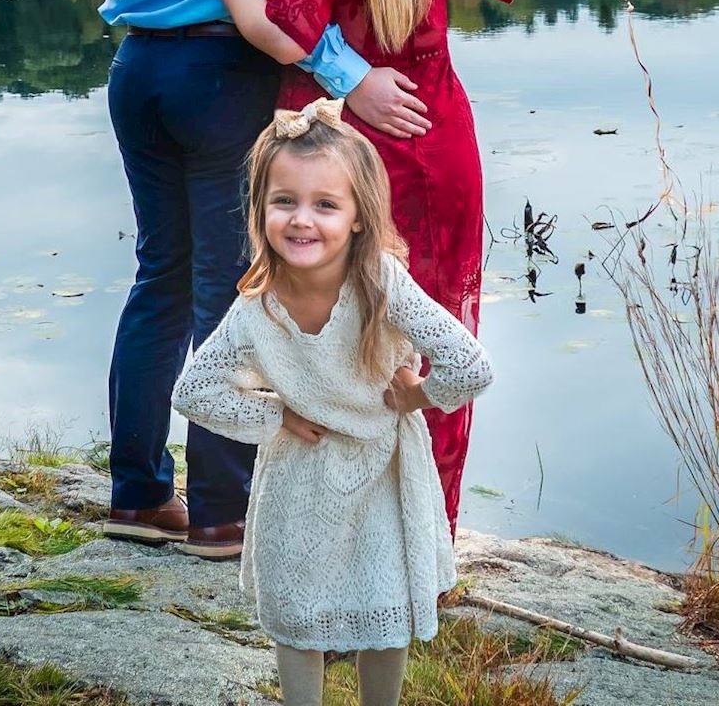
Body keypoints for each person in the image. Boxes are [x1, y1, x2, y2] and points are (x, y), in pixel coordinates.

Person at [169, 0, 598, 529]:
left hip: (345, 163)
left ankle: (356, 536)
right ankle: (430, 543)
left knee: (341, 347)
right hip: (438, 147)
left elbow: (280, 32)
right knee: (433, 340)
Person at [83, 0, 433, 558]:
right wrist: (351, 74)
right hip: (218, 72)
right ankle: (220, 514)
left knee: (158, 274)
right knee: (221, 286)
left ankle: (134, 493)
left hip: (137, 72)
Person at [172, 101, 492, 706]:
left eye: (325, 204)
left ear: (359, 217)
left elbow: (470, 365)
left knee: (385, 603)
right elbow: (193, 391)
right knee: (297, 608)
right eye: (284, 201)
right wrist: (277, 416)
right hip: (301, 475)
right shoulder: (256, 308)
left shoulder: (383, 286)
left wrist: (418, 395)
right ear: (259, 209)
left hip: (383, 474)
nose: (302, 220)